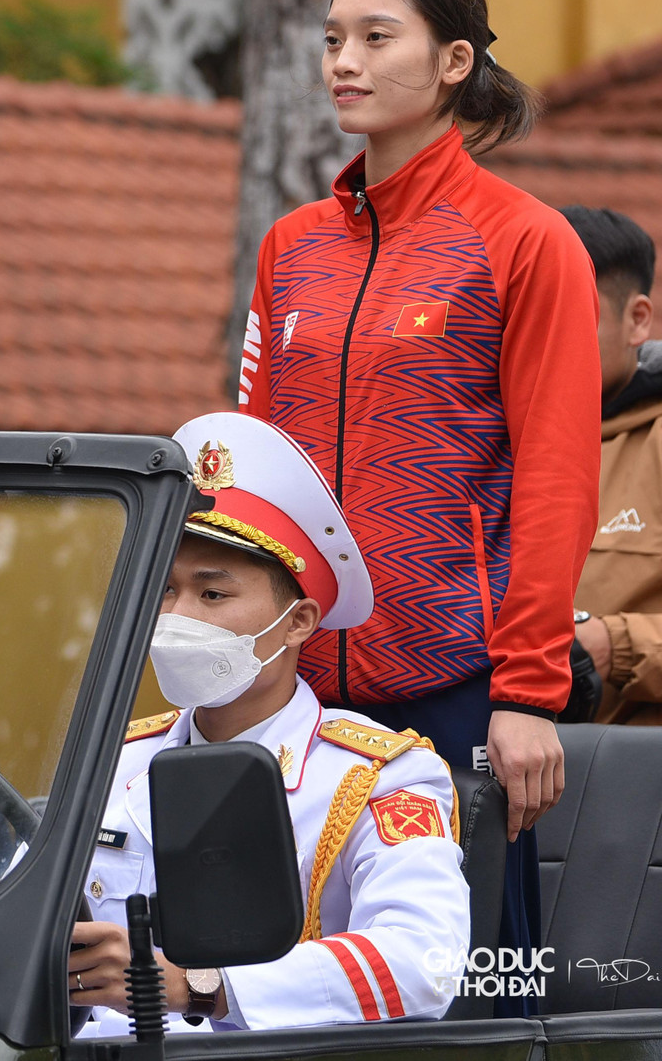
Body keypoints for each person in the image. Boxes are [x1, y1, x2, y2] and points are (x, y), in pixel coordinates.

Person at [236, 0, 597, 997]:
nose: (341, 61)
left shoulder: (522, 242)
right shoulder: (289, 247)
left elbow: (554, 481)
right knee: (273, 985)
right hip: (291, 696)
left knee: (461, 1000)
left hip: (453, 693)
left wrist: (527, 692)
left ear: (451, 63)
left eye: (373, 39)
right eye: (331, 40)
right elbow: (252, 483)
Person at [71, 412, 469, 1032]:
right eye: (166, 591)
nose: (178, 617)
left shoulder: (376, 777)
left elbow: (426, 963)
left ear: (298, 621)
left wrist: (202, 986)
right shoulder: (107, 760)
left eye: (212, 594)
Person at [562, 207, 662, 725]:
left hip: (651, 790)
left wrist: (613, 646)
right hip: (478, 786)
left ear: (637, 319)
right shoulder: (468, 448)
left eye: (573, 316)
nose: (544, 340)